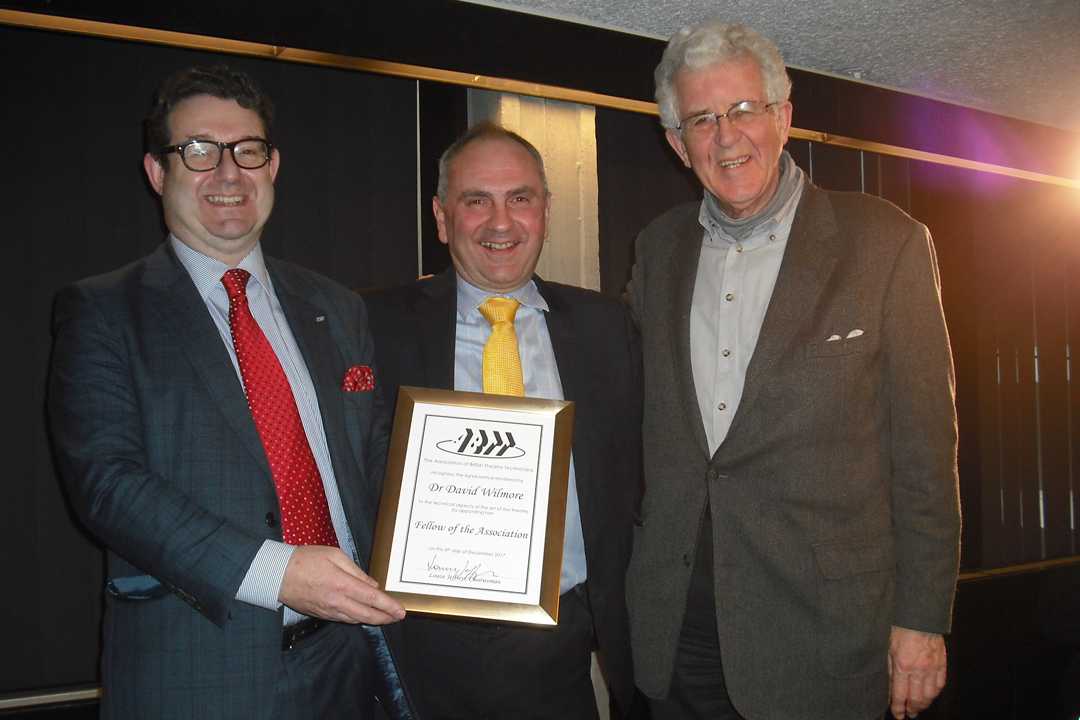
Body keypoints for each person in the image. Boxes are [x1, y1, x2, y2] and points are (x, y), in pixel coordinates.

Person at [47, 65, 411, 719]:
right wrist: (281, 573)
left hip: (350, 663)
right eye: (198, 151)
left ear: (272, 167)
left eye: (248, 151)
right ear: (158, 174)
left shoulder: (337, 307)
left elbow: (378, 457)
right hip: (196, 673)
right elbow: (107, 483)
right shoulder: (103, 310)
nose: (227, 173)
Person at [625, 20, 962, 720]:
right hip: (678, 630)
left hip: (826, 635)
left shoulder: (885, 243)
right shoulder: (657, 251)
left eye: (744, 109)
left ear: (783, 116)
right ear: (676, 144)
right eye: (702, 119)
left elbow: (926, 453)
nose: (726, 136)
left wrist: (922, 621)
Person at [365, 123, 642, 719]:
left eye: (520, 198)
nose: (501, 222)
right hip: (426, 646)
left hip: (564, 644)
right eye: (476, 201)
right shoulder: (372, 326)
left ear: (545, 211)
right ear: (442, 218)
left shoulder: (608, 328)